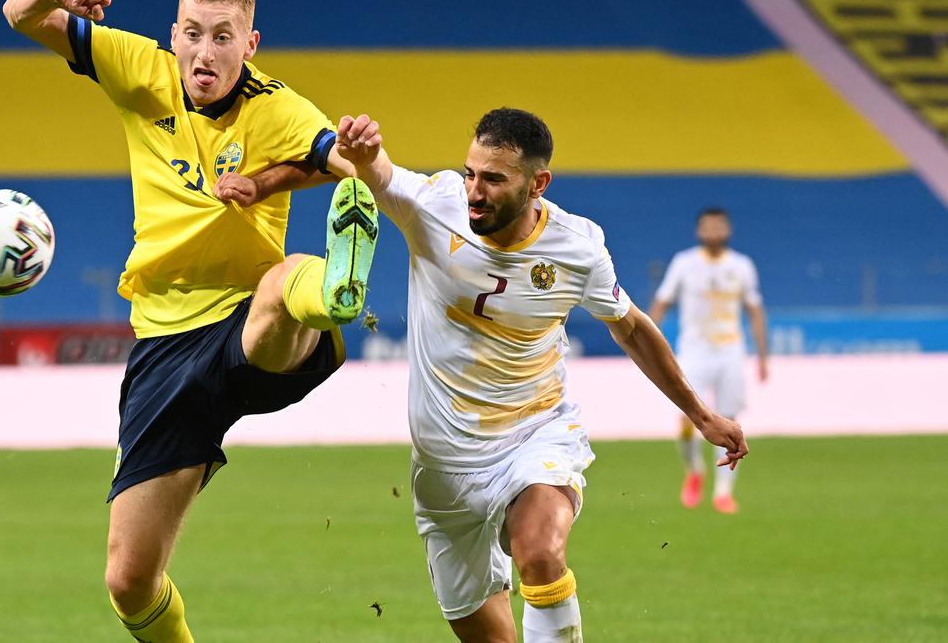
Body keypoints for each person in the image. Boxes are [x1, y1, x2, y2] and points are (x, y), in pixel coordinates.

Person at [238, 108, 749, 642]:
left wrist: (702, 414)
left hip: (534, 434)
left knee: (540, 553)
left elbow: (632, 329)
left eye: (494, 179)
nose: (474, 191)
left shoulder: (578, 249)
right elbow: (379, 172)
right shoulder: (436, 205)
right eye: (470, 173)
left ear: (537, 184)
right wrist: (364, 156)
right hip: (444, 467)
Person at [3, 0, 380, 641]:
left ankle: (331, 292)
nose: (206, 53)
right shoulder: (138, 70)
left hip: (247, 319)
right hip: (163, 346)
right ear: (173, 36)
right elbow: (18, 15)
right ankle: (317, 295)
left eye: (223, 37)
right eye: (195, 35)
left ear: (250, 44)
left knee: (278, 290)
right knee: (128, 582)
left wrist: (275, 178)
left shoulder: (278, 107)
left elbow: (348, 165)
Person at [649, 207, 768, 514]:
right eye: (708, 227)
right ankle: (694, 471)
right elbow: (662, 301)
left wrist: (763, 356)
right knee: (687, 421)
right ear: (699, 231)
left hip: (730, 352)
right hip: (694, 352)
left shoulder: (741, 266)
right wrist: (647, 338)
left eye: (719, 226)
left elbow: (754, 310)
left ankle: (723, 492)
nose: (714, 232)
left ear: (727, 230)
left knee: (730, 421)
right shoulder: (684, 263)